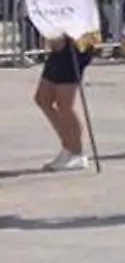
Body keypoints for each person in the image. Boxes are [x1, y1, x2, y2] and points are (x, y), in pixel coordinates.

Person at [34, 37, 94, 173]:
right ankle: (68, 147)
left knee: (65, 103)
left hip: (75, 44)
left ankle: (77, 153)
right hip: (60, 45)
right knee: (43, 98)